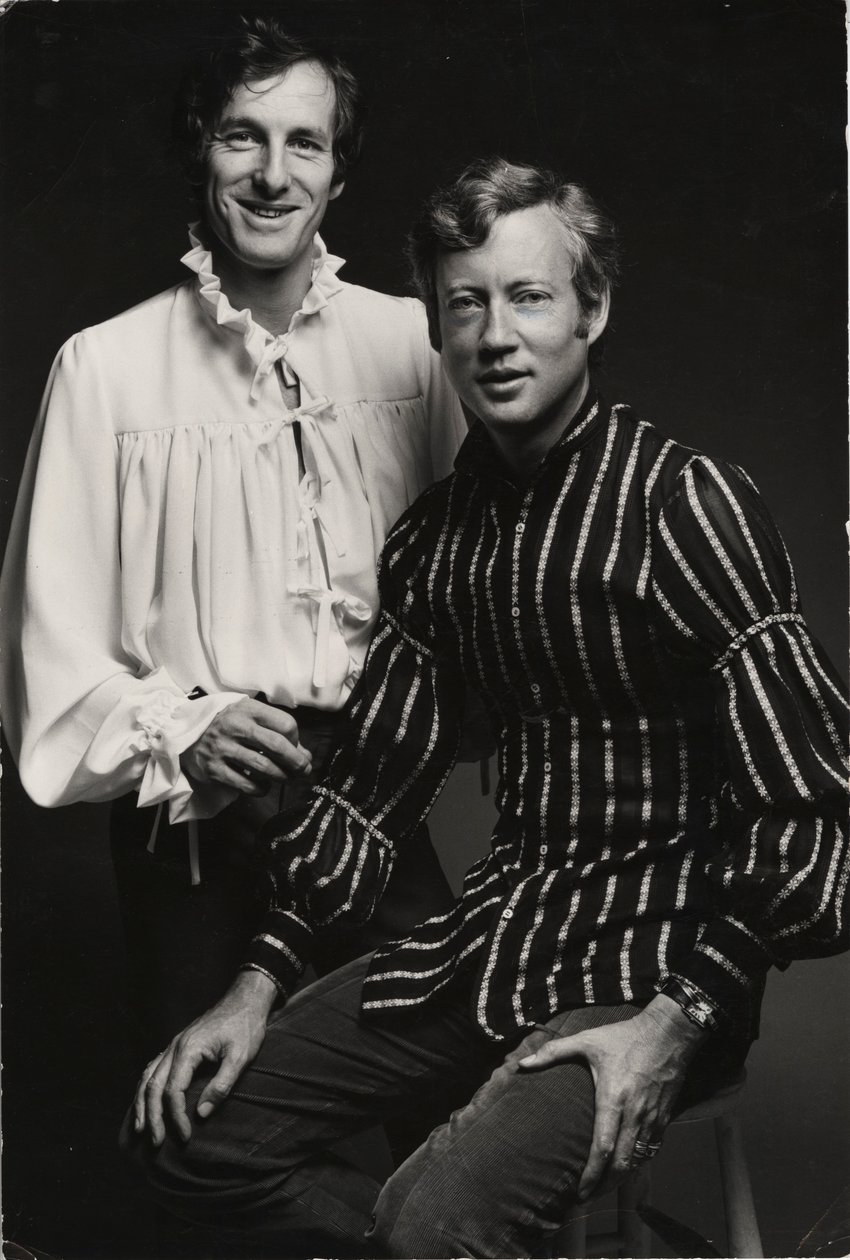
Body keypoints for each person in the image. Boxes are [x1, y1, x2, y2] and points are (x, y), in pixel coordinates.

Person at [127, 158, 849, 1259]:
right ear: (436, 327)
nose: (495, 336)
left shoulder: (682, 505)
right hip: (502, 942)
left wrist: (680, 1017)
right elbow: (369, 789)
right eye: (465, 304)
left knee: (433, 1227)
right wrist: (257, 982)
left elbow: (813, 805)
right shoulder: (435, 545)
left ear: (590, 312)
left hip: (658, 970)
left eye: (528, 297)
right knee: (185, 1138)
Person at [0, 16, 466, 1059]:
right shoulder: (104, 370)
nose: (272, 174)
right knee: (196, 1126)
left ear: (338, 171)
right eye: (241, 136)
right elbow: (50, 662)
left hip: (371, 793)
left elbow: (476, 584)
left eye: (305, 142)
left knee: (448, 1085)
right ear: (199, 151)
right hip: (191, 822)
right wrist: (184, 728)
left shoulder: (414, 347)